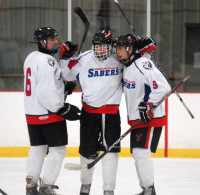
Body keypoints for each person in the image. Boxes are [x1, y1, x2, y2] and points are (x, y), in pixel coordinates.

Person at [59, 29, 123, 195]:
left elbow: (136, 67)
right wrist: (64, 57)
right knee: (87, 153)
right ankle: (85, 185)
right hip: (89, 115)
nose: (100, 50)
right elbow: (65, 73)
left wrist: (142, 52)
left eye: (104, 46)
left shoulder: (119, 59)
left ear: (111, 46)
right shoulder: (83, 59)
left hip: (111, 115)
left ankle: (109, 190)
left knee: (111, 154)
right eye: (97, 46)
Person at [24, 26, 81, 195]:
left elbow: (39, 86)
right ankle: (46, 187)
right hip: (49, 114)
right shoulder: (48, 61)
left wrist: (63, 89)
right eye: (52, 39)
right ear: (42, 42)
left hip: (32, 114)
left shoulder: (31, 57)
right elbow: (45, 92)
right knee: (58, 150)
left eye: (56, 38)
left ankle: (30, 184)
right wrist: (63, 109)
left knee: (38, 149)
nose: (56, 42)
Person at [114, 34, 171, 195]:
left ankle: (148, 190)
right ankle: (147, 189)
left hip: (149, 118)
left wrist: (148, 104)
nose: (117, 52)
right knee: (137, 153)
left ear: (130, 49)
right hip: (138, 119)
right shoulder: (129, 65)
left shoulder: (143, 64)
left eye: (120, 49)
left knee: (140, 153)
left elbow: (163, 88)